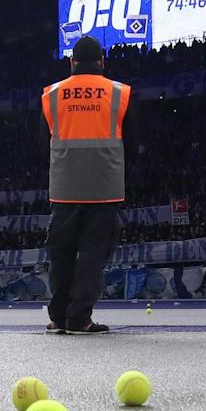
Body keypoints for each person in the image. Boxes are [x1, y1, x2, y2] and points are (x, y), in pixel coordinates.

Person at [41, 36, 134, 335]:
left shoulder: (52, 94)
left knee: (61, 254)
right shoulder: (119, 92)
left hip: (64, 186)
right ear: (102, 62)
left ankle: (58, 317)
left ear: (72, 62)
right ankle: (80, 318)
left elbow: (43, 137)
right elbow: (132, 137)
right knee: (93, 256)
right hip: (104, 187)